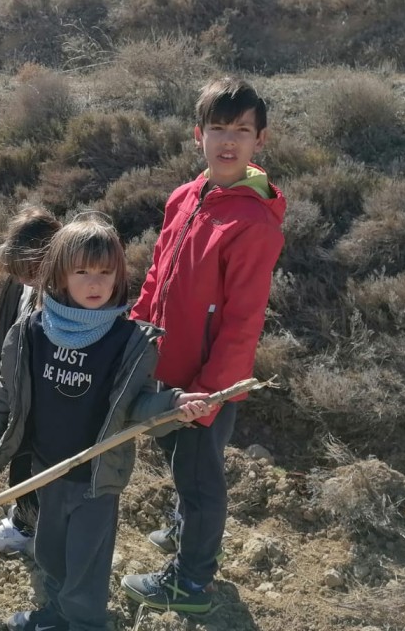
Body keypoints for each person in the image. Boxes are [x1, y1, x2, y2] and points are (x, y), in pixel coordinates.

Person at [0, 215, 212, 631]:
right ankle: (57, 613)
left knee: (87, 560)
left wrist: (173, 405)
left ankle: (84, 621)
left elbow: (137, 408)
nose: (95, 283)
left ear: (118, 276)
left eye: (105, 272)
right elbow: (6, 393)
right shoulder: (31, 332)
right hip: (47, 469)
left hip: (96, 477)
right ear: (59, 276)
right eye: (82, 272)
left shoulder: (128, 342)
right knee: (50, 552)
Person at [120, 78, 286, 614]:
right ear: (199, 134)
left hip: (205, 383)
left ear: (260, 139)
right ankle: (181, 529)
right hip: (164, 369)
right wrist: (133, 338)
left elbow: (242, 322)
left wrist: (209, 395)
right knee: (179, 461)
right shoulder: (185, 197)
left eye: (242, 130)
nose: (228, 141)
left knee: (200, 479)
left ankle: (190, 584)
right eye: (218, 128)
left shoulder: (254, 223)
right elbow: (156, 276)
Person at [0, 204, 62, 555]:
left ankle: (24, 529)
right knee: (25, 459)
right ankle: (30, 520)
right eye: (19, 271)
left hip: (46, 401)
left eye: (30, 271)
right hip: (25, 394)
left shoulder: (61, 297)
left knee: (30, 461)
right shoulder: (24, 288)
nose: (24, 278)